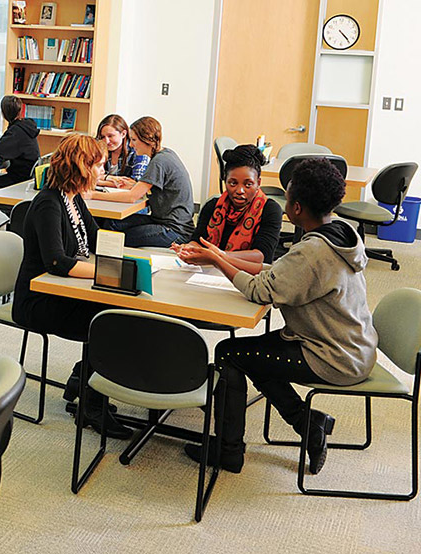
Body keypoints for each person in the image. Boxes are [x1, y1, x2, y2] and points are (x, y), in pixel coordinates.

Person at [182, 158, 377, 475]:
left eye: (286, 196)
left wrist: (218, 259)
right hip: (353, 345)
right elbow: (284, 275)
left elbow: (260, 291)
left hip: (334, 357)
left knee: (230, 354)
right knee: (254, 355)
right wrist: (223, 257)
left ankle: (229, 452)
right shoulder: (339, 233)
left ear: (297, 208)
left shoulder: (311, 252)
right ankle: (310, 424)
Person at [11, 134, 129, 438]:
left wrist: (123, 262)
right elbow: (57, 263)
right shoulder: (48, 203)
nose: (103, 173)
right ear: (82, 167)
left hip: (61, 292)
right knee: (110, 322)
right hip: (38, 300)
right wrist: (105, 274)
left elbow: (95, 238)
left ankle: (84, 380)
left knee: (119, 311)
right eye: (99, 166)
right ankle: (91, 406)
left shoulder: (73, 198)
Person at [90, 116, 195, 247]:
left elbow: (131, 197)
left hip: (174, 229)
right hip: (161, 219)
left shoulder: (159, 162)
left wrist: (92, 195)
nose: (131, 144)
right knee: (111, 224)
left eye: (134, 140)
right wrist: (135, 185)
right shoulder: (165, 154)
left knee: (113, 240)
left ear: (147, 140)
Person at [172, 144, 283, 266]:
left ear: (258, 183)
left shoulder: (269, 210)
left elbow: (262, 256)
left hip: (248, 275)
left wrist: (219, 256)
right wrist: (188, 248)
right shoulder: (213, 206)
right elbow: (198, 241)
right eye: (233, 183)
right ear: (225, 181)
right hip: (209, 271)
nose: (240, 190)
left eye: (248, 184)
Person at [95, 114, 148, 189]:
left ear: (123, 134)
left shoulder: (138, 151)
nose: (106, 141)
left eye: (110, 136)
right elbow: (88, 176)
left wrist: (100, 181)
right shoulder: (98, 147)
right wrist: (110, 178)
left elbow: (135, 183)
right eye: (102, 137)